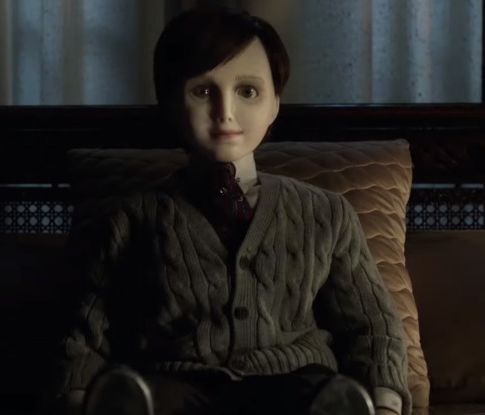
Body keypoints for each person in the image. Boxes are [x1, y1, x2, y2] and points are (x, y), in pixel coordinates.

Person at [48, 6, 411, 415]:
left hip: (292, 382)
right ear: (171, 103)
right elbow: (86, 331)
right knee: (150, 397)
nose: (225, 112)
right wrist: (77, 396)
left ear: (275, 104)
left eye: (248, 91)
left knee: (316, 394)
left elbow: (371, 324)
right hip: (178, 383)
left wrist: (385, 401)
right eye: (203, 92)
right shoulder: (131, 219)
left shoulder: (326, 213)